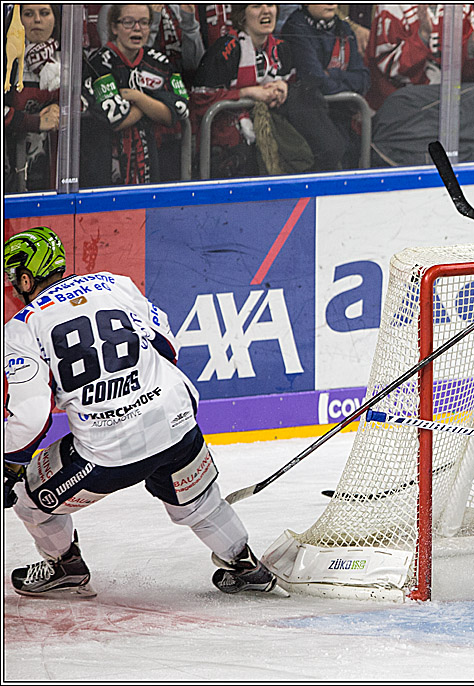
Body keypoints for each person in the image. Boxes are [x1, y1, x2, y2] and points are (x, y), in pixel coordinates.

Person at [3, 227, 276, 597]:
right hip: (177, 423)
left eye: (12, 279)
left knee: (26, 494)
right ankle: (245, 565)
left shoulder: (21, 328)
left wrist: (10, 464)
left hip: (108, 453)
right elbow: (166, 345)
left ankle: (65, 566)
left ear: (25, 277)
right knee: (197, 504)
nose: (12, 289)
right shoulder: (112, 284)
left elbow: (31, 416)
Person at [191, 3, 312, 178]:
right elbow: (199, 99)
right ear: (242, 15)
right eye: (256, 6)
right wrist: (246, 93)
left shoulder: (281, 49)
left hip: (270, 143)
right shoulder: (226, 49)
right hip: (225, 149)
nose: (266, 11)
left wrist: (285, 88)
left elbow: (296, 84)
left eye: (270, 5)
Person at [79, 4, 190, 187]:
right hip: (104, 168)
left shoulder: (158, 62)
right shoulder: (99, 64)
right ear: (114, 27)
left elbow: (180, 109)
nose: (137, 28)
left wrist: (138, 98)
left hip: (149, 166)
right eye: (129, 22)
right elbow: (116, 119)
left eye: (144, 22)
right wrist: (154, 103)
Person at [280, 4, 371, 171]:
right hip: (312, 128)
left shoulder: (343, 27)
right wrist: (345, 84)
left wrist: (333, 74)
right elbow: (315, 79)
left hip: (342, 123)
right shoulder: (296, 27)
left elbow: (363, 79)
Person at [364, 4, 474, 110]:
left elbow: (468, 74)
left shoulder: (462, 7)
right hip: (399, 109)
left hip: (445, 109)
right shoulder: (392, 7)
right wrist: (422, 36)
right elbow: (391, 69)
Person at [3, 4, 61, 192]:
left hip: (54, 166)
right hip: (9, 165)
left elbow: (86, 101)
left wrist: (60, 108)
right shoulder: (6, 58)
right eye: (28, 14)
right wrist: (33, 122)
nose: (37, 20)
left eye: (44, 13)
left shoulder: (68, 56)